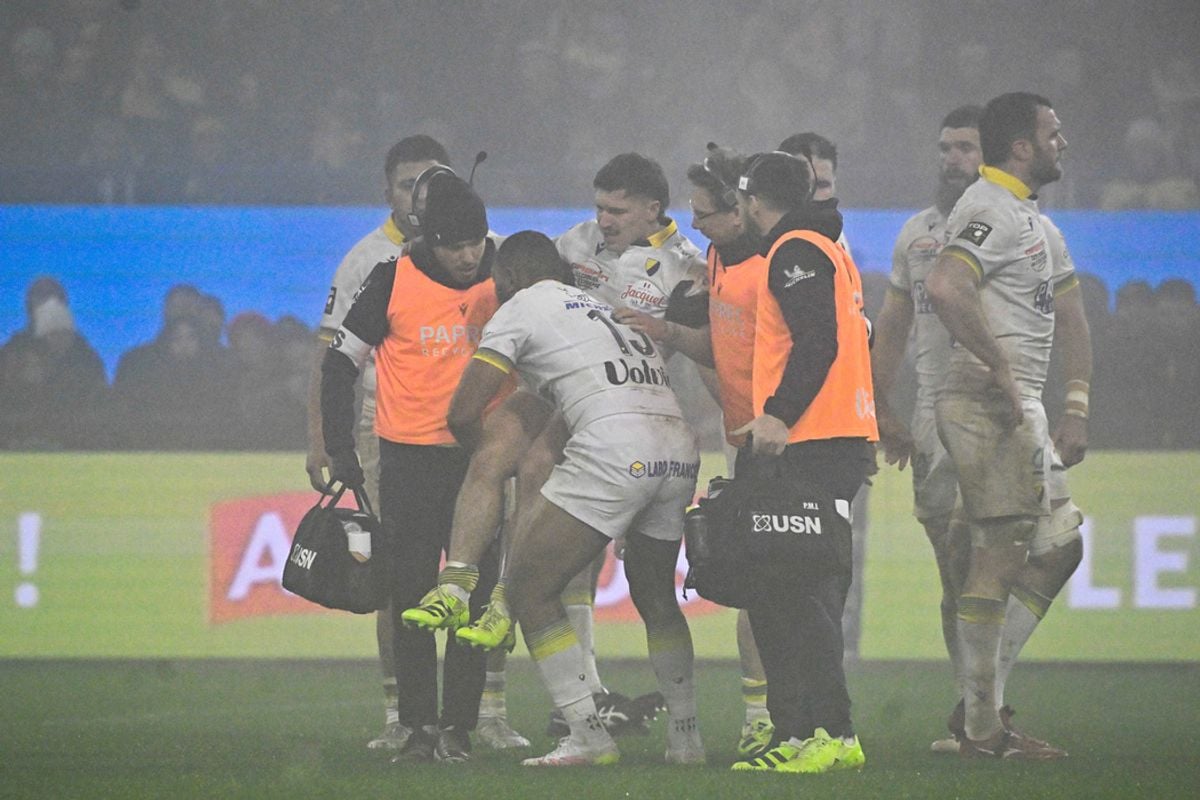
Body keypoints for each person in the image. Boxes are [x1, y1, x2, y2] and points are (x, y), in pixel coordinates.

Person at [402, 152, 707, 736]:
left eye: (617, 211)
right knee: (511, 458)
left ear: (652, 209)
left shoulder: (686, 269)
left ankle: (504, 601)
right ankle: (472, 591)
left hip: (621, 404)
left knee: (574, 552)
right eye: (599, 207)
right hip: (576, 393)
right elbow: (526, 261)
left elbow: (707, 348)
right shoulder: (578, 243)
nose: (604, 220)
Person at [874, 104, 1090, 756]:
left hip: (1004, 405)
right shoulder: (971, 216)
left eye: (963, 146)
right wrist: (993, 366)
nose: (1063, 142)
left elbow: (1071, 319)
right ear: (1022, 147)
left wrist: (1074, 404)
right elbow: (926, 302)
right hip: (976, 405)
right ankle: (981, 724)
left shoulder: (1029, 222)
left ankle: (980, 711)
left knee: (1053, 547)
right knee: (978, 565)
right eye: (1053, 134)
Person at [321, 172, 501, 764]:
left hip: (481, 461)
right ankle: (421, 727)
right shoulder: (391, 277)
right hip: (408, 461)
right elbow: (339, 364)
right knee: (411, 597)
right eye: (456, 246)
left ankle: (459, 728)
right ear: (430, 241)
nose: (468, 257)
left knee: (473, 600)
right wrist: (340, 447)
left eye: (476, 242)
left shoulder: (502, 275)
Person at [613, 145, 773, 759]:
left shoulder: (777, 262)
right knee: (751, 580)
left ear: (741, 210)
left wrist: (765, 415)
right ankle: (751, 719)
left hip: (784, 437)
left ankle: (799, 717)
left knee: (787, 581)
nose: (696, 225)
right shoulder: (714, 260)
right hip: (737, 440)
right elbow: (718, 350)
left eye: (705, 214)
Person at [718, 150, 875, 774]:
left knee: (796, 591)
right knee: (791, 587)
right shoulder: (826, 247)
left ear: (754, 201)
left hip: (812, 441)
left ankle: (825, 732)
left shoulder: (793, 251)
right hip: (833, 436)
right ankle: (805, 732)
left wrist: (779, 414)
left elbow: (818, 342)